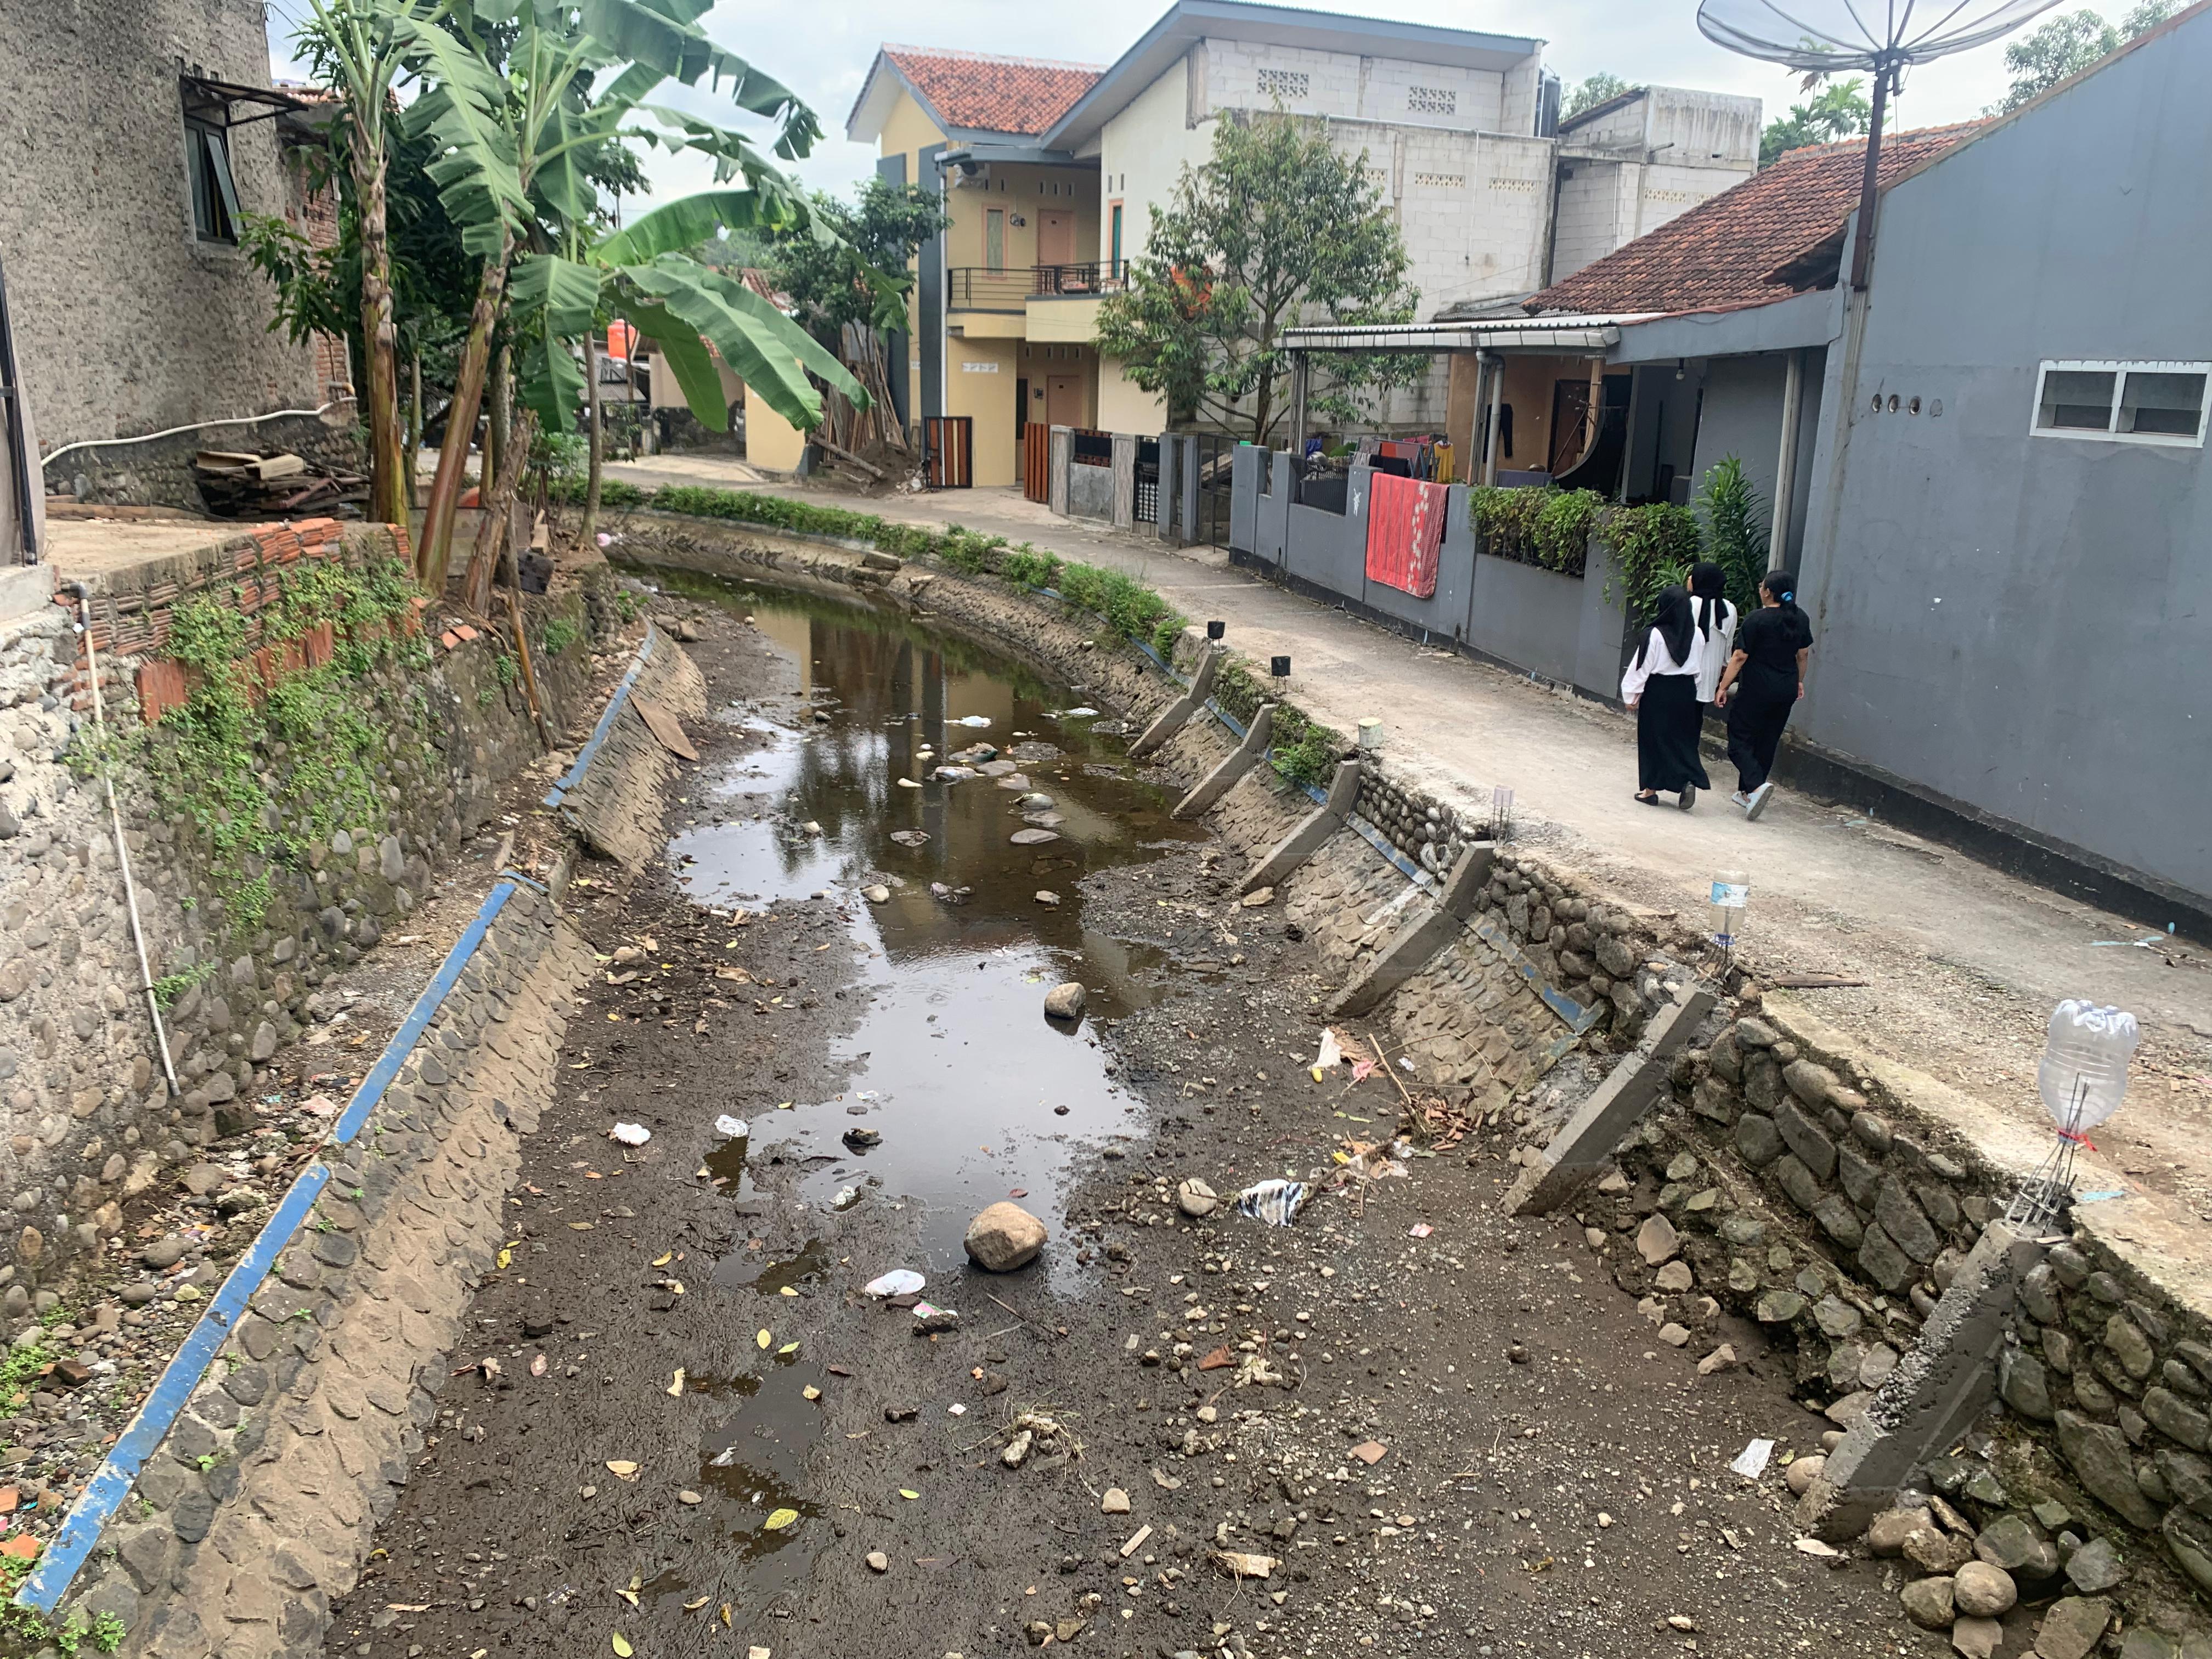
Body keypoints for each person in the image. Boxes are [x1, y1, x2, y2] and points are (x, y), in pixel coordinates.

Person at [1713, 568, 1814, 821]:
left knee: (1739, 740)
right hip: (1786, 688)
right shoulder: (1800, 618)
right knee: (1767, 739)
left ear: (1768, 592)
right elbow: (1803, 655)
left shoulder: (1757, 619)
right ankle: (1747, 793)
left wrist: (1723, 686)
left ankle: (1756, 787)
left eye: (1762, 586)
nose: (1760, 589)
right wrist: (1799, 682)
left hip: (1757, 689)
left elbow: (1740, 656)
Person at [1621, 584, 1709, 809]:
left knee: (1653, 738)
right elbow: (1698, 666)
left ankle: (1650, 791)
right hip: (1687, 690)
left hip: (1659, 690)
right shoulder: (1697, 633)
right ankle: (1686, 779)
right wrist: (1693, 688)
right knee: (1682, 738)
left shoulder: (1655, 634)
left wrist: (1631, 695)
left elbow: (1642, 666)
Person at [1688, 561, 1738, 718]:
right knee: (1696, 718)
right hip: (1710, 675)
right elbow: (1728, 648)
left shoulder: (1687, 604)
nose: (1689, 579)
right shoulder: (1729, 609)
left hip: (1684, 671)